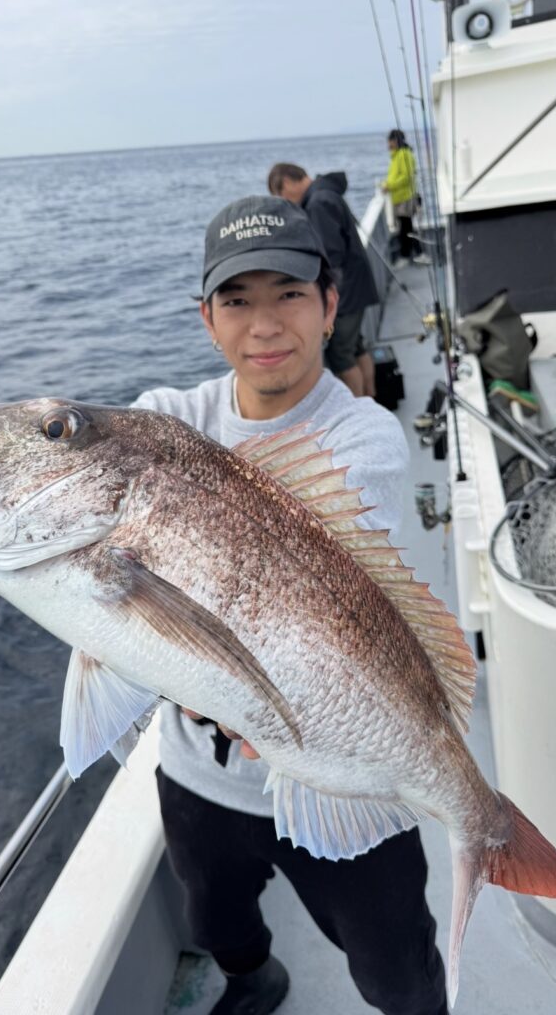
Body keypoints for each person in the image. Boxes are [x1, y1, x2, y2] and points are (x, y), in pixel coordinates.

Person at [131, 194, 448, 1015]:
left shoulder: (363, 437)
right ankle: (255, 978)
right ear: (207, 319)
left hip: (346, 772)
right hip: (202, 772)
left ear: (331, 304)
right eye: (238, 300)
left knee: (397, 971)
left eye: (290, 294)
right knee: (216, 921)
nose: (265, 325)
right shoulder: (167, 421)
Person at [267, 162, 378, 398]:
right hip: (355, 287)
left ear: (287, 183)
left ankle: (358, 409)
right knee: (357, 347)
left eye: (281, 194)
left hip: (345, 294)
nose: (285, 201)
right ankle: (371, 397)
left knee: (342, 357)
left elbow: (330, 256)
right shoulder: (325, 193)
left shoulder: (318, 204)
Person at [382, 130, 430, 267]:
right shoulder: (397, 155)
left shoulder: (403, 154)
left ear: (395, 141)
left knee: (406, 228)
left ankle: (413, 255)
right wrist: (386, 184)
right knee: (406, 227)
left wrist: (389, 186)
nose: (388, 144)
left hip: (406, 198)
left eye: (390, 141)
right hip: (400, 198)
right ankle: (415, 254)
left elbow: (406, 177)